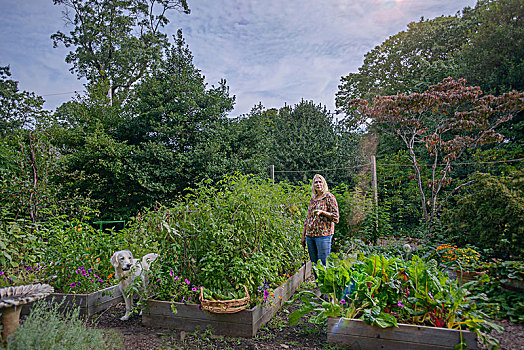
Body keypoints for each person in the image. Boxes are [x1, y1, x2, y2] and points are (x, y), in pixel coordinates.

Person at [301, 174, 339, 266]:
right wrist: (303, 235)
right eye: (316, 182)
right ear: (313, 185)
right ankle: (317, 281)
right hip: (310, 235)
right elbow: (308, 218)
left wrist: (323, 212)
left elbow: (336, 217)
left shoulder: (329, 197)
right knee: (314, 264)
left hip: (323, 235)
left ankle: (324, 281)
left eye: (320, 182)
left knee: (323, 263)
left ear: (324, 183)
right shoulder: (313, 199)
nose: (318, 184)